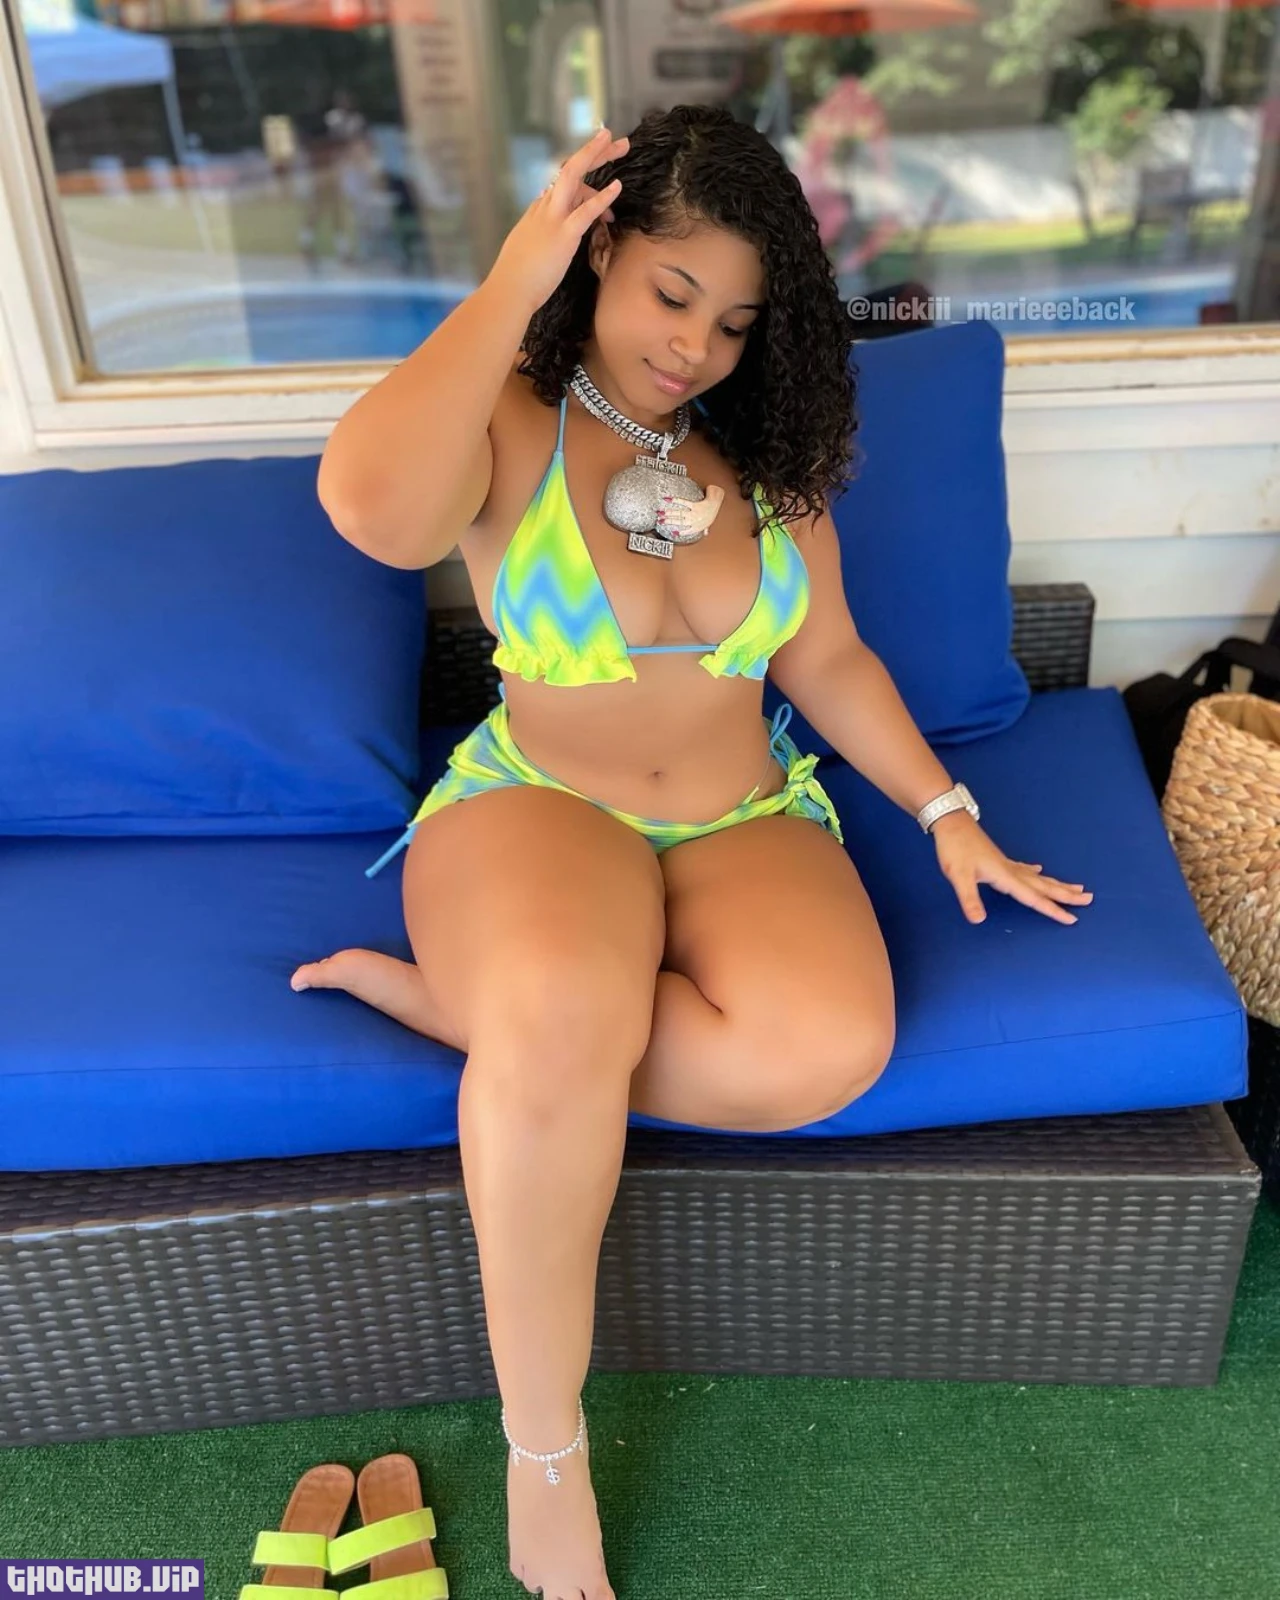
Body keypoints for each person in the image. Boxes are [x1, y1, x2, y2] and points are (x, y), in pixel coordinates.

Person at [292, 104, 1094, 1600]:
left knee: (828, 1047)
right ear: (599, 253)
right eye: (672, 294)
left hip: (743, 811)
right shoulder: (508, 419)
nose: (695, 347)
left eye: (733, 322)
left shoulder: (764, 460)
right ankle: (547, 1457)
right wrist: (514, 276)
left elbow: (829, 658)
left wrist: (948, 816)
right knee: (564, 998)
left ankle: (490, 1019)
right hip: (545, 804)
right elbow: (370, 509)